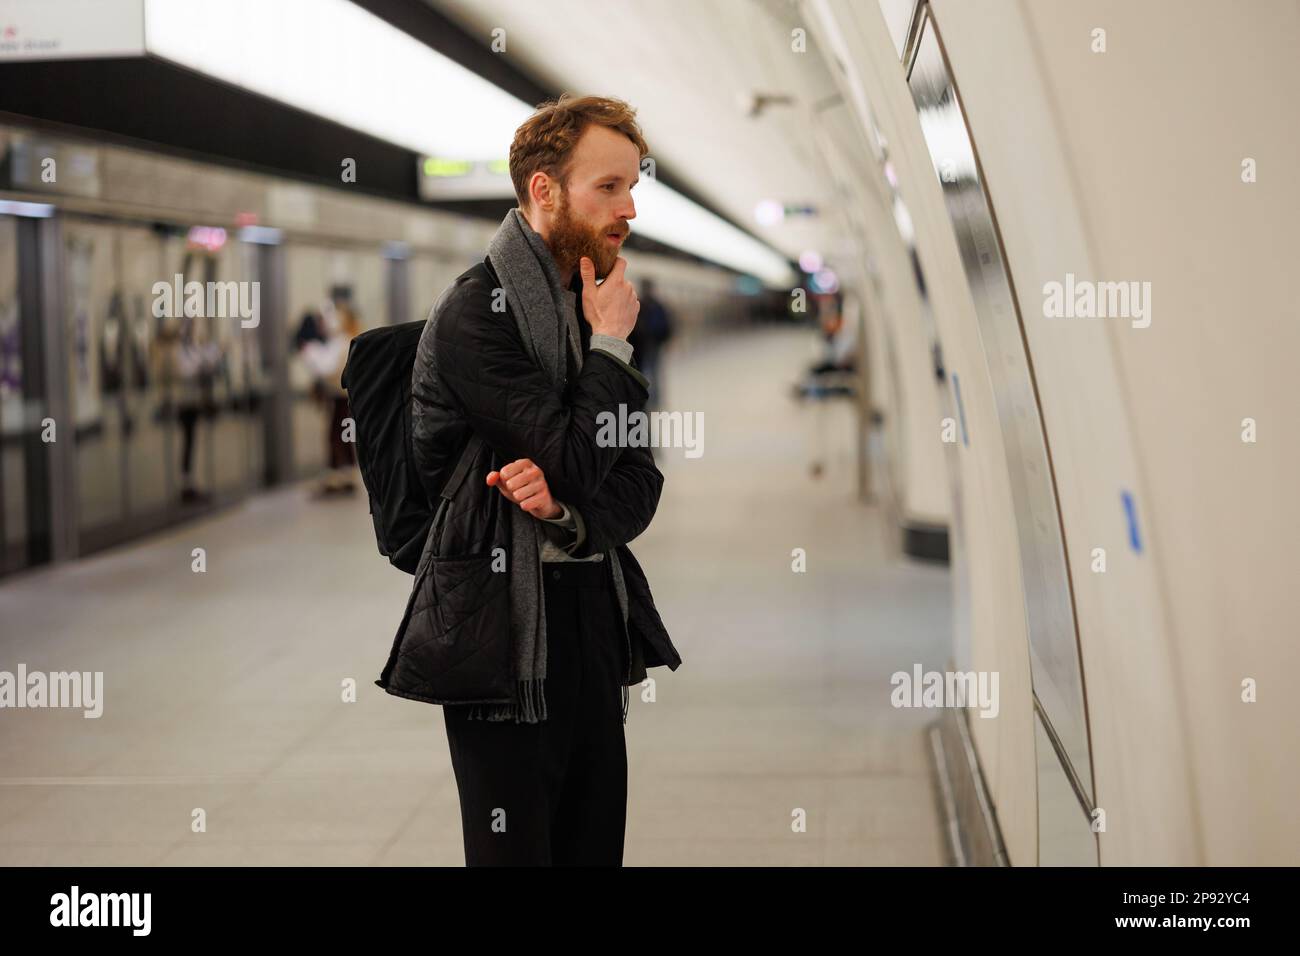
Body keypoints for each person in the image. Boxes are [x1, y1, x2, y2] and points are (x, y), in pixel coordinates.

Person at [406, 94, 682, 866]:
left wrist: (569, 512)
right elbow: (571, 453)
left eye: (634, 186)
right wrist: (612, 351)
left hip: (594, 609)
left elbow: (637, 482)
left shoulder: (587, 304)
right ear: (543, 190)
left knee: (593, 847)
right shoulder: (475, 315)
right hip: (502, 627)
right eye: (609, 186)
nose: (629, 207)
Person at [627, 277, 673, 410]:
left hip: (642, 345)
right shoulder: (658, 304)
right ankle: (655, 400)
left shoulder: (638, 303)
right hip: (655, 343)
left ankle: (647, 400)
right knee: (655, 371)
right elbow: (667, 324)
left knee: (644, 372)